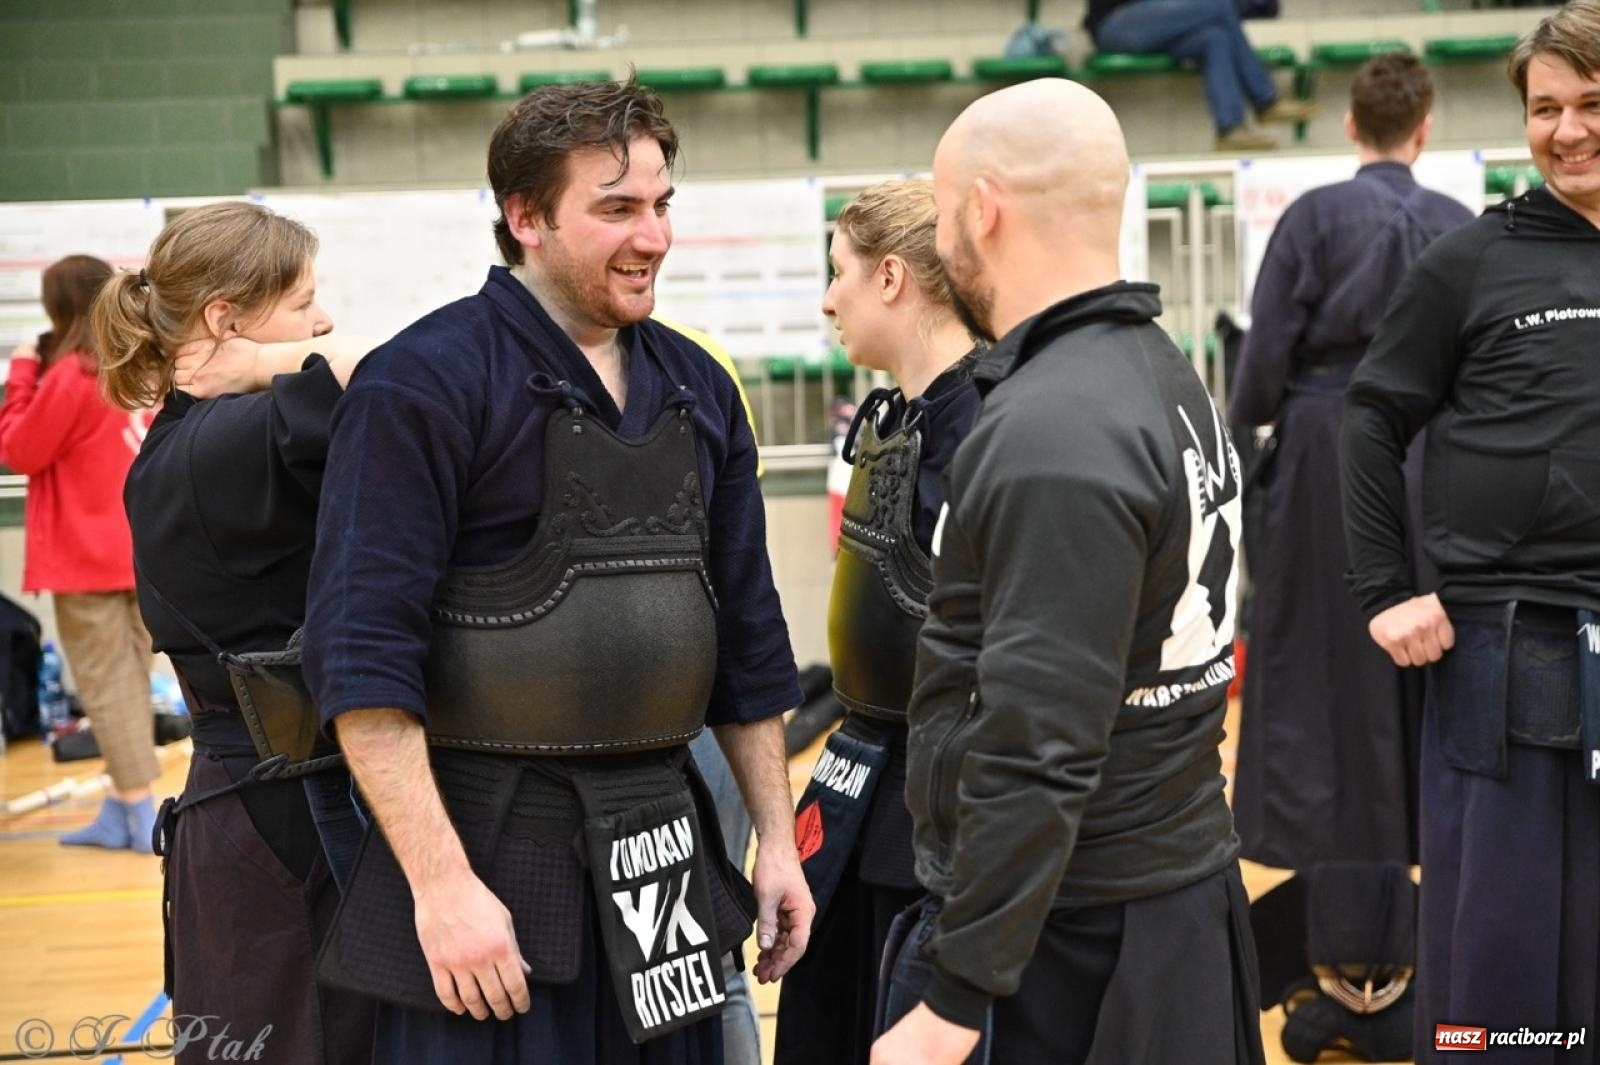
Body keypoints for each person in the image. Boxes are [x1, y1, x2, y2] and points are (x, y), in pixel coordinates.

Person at [301, 76, 813, 1064]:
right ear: (524, 216)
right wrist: (441, 888)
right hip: (490, 873)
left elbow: (747, 639)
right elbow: (361, 664)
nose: (654, 236)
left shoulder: (697, 387)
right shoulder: (425, 382)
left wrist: (776, 842)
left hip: (667, 857)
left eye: (662, 205)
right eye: (616, 209)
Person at [872, 78, 1263, 1065]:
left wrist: (955, 1001)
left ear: (981, 208)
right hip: (1161, 897)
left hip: (1081, 941)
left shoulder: (1056, 424)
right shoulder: (1161, 374)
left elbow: (1039, 742)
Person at [1341, 3, 1600, 1058]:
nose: (1567, 130)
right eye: (1545, 108)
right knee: (1500, 1001)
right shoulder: (1470, 260)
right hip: (1501, 660)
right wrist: (1384, 589)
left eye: (1590, 104)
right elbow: (1370, 416)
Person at [94, 201, 377, 1064]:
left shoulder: (203, 436)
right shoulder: (235, 438)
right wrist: (278, 362)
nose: (322, 320)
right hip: (284, 819)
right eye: (302, 302)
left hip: (257, 809)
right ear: (226, 319)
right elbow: (422, 370)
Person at [1229, 53, 1473, 871]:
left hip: (1324, 446)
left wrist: (1251, 418)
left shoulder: (1312, 217)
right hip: (1433, 449)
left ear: (1350, 124)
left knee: (1318, 641)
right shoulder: (1457, 221)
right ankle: (1430, 828)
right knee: (1430, 639)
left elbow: (1263, 361)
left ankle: (1319, 838)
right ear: (1425, 127)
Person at [774, 179, 979, 1065]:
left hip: (936, 806)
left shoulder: (985, 427)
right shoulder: (895, 413)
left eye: (839, 273)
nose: (827, 298)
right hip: (861, 772)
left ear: (891, 277)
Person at [0, 255, 160, 852]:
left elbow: (19, 448)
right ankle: (122, 810)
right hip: (141, 548)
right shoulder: (138, 364)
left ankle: (140, 811)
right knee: (132, 681)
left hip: (85, 556)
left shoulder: (73, 374)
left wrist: (20, 372)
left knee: (106, 686)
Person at [1085, 0, 1316, 151]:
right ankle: (1265, 101)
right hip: (1115, 24)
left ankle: (1230, 130)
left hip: (1150, 22)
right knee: (1219, 5)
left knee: (1215, 38)